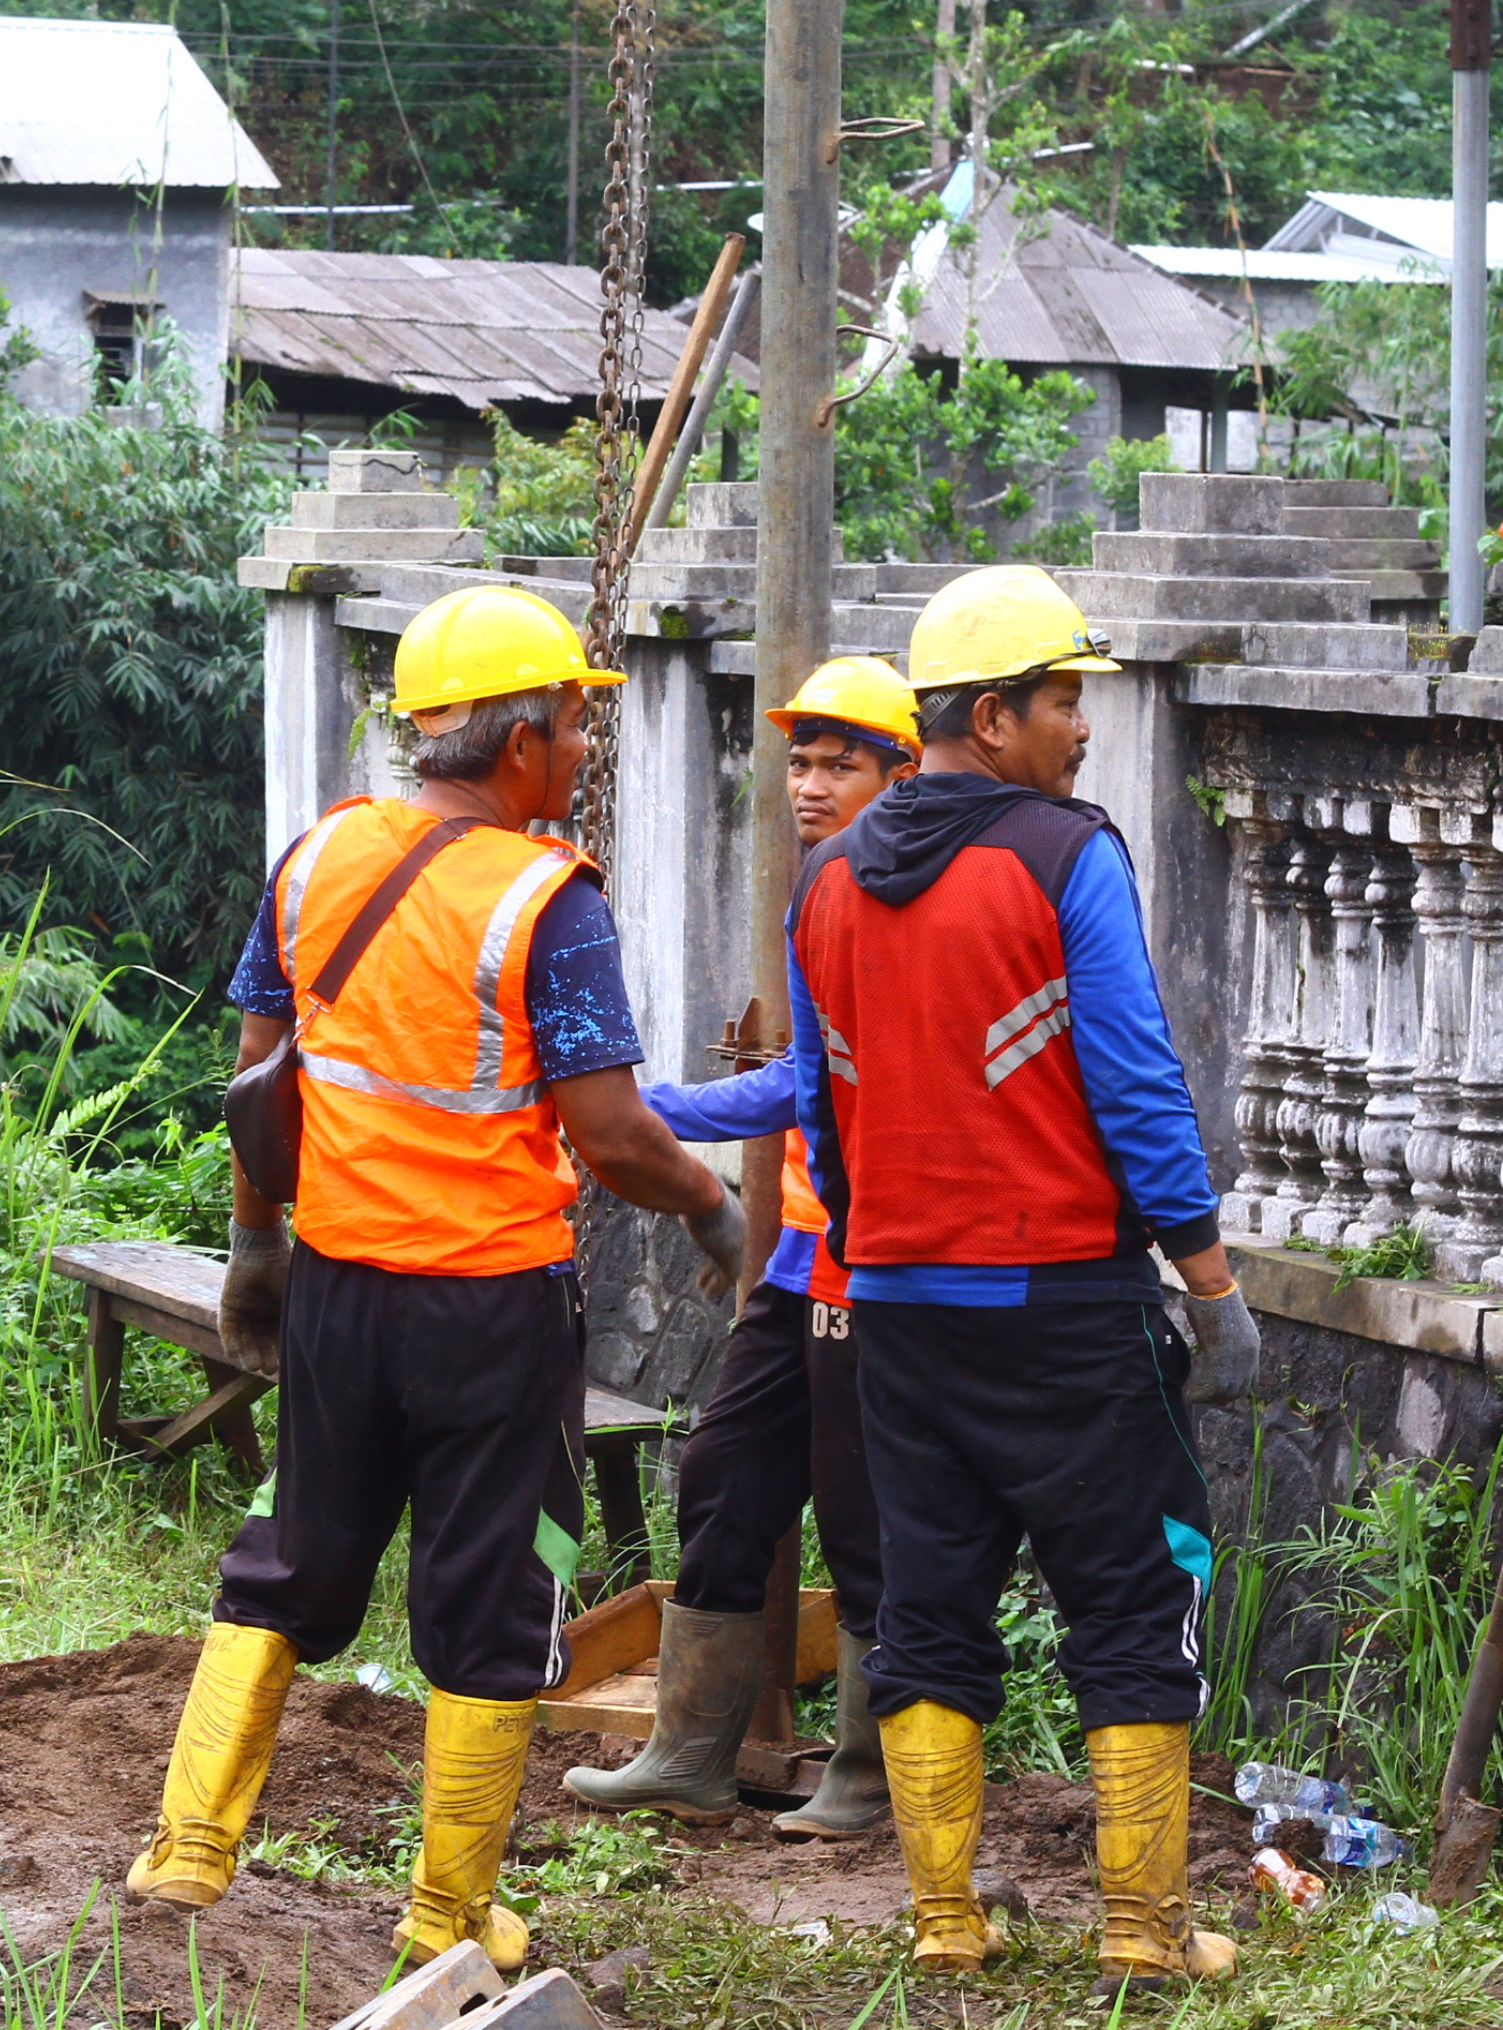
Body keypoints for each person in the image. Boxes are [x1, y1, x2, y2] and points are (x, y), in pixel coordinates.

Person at [131, 583, 746, 1974]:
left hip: (342, 1288)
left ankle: (187, 1850)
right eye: (579, 726)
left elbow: (259, 1084)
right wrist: (711, 1209)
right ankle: (449, 1916)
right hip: (491, 1306)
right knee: (493, 1591)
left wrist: (255, 1253)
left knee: (291, 1552)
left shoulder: (319, 858)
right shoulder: (548, 900)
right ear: (521, 742)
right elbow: (610, 1133)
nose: (585, 753)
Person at [788, 566, 1262, 1985]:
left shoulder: (828, 878)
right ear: (990, 718)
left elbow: (825, 1105)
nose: (1079, 729)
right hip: (1064, 1306)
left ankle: (944, 1926)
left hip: (898, 1307)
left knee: (927, 1603)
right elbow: (1134, 1081)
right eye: (1063, 702)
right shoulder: (1065, 853)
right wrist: (1212, 1281)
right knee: (1132, 1590)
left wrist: (875, 1240)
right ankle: (1144, 1930)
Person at [565, 657, 917, 1838]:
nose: (810, 785)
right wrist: (648, 1110)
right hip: (802, 1262)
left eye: (841, 764)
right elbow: (804, 1085)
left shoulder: (913, 899)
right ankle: (689, 1754)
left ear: (903, 771)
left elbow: (815, 1092)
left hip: (875, 1267)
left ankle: (867, 1778)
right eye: (802, 763)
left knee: (866, 1512)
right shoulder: (822, 888)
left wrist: (658, 1112)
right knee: (723, 1480)